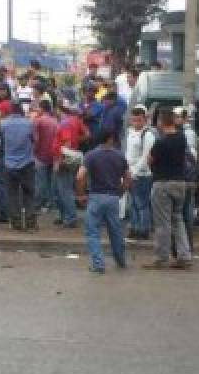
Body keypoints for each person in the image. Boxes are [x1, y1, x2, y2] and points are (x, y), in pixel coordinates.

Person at [76, 129, 132, 274]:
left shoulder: (91, 155)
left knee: (92, 231)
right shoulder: (119, 156)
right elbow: (127, 178)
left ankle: (98, 264)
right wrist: (120, 192)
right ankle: (120, 260)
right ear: (110, 139)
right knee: (115, 230)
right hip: (113, 197)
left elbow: (80, 176)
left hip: (96, 196)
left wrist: (81, 195)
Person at [146, 111, 194, 269]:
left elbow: (150, 160)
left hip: (163, 183)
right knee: (178, 220)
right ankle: (184, 256)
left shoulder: (161, 142)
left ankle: (161, 258)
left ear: (161, 122)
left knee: (162, 223)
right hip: (180, 183)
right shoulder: (182, 138)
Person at [0, 102, 38, 230]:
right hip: (27, 162)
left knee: (12, 194)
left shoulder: (3, 124)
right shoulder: (29, 123)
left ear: (10, 111)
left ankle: (16, 222)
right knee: (29, 193)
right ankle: (30, 221)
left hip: (9, 163)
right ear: (21, 110)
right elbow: (35, 140)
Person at [53, 101, 88, 228]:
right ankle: (65, 216)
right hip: (73, 158)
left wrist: (60, 160)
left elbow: (66, 143)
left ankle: (70, 218)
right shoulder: (76, 120)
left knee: (64, 190)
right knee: (63, 189)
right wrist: (76, 142)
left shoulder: (65, 123)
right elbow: (87, 135)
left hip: (65, 159)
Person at [124, 106, 156, 240]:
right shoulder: (130, 133)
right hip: (130, 172)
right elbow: (127, 153)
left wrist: (134, 171)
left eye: (139, 120)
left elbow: (146, 156)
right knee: (132, 203)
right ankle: (134, 228)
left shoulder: (147, 134)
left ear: (144, 120)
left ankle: (143, 230)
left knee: (142, 203)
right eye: (134, 120)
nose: (136, 123)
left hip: (142, 174)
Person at [32, 99, 60, 213]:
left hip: (41, 155)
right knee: (51, 181)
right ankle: (50, 203)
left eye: (38, 107)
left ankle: (38, 204)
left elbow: (36, 139)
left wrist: (34, 151)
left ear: (42, 108)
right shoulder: (55, 121)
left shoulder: (38, 121)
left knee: (40, 181)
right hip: (53, 155)